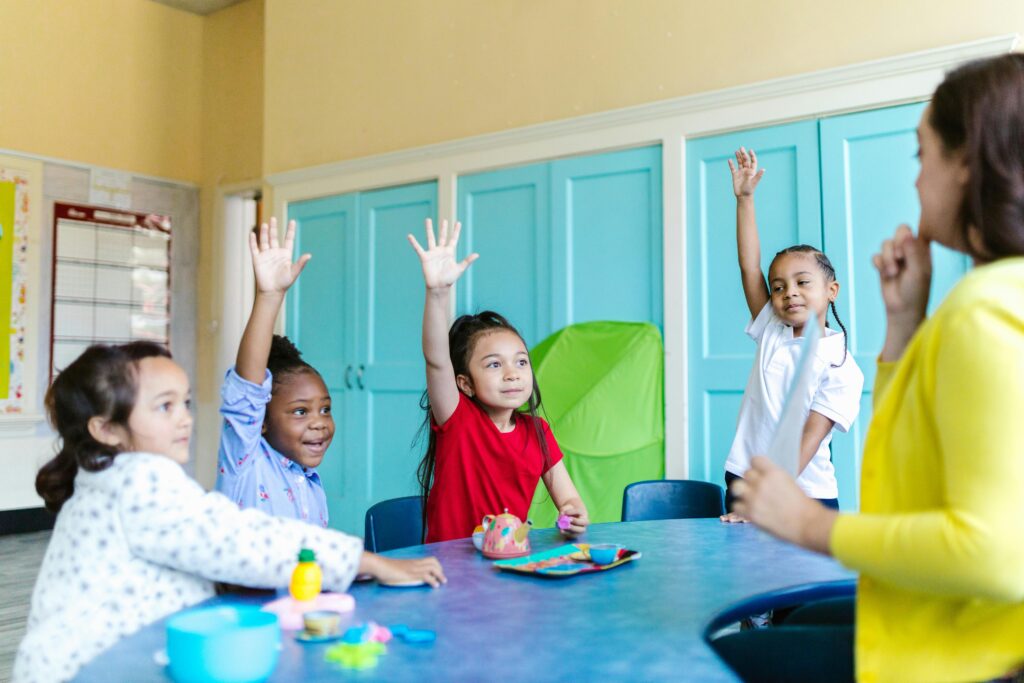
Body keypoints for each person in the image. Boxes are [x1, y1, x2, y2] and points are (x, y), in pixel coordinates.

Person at [726, 54, 1024, 683]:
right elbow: (913, 464)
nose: (915, 182)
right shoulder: (993, 301)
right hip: (935, 626)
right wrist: (903, 326)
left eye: (922, 157)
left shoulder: (985, 312)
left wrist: (808, 522)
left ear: (968, 161)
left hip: (954, 657)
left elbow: (998, 555)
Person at [14, 342, 445, 683]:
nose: (184, 419)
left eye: (184, 403)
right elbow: (238, 538)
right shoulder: (135, 480)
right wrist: (364, 560)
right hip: (88, 670)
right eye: (165, 407)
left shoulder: (111, 478)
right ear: (105, 429)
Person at [407, 218, 589, 542]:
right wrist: (437, 294)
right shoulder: (458, 419)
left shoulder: (538, 432)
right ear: (465, 384)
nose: (512, 373)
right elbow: (436, 360)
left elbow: (570, 500)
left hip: (509, 566)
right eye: (494, 364)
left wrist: (574, 514)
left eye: (521, 362)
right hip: (451, 570)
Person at [720, 147, 864, 523]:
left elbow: (808, 440)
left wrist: (769, 497)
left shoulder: (841, 364)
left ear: (832, 290)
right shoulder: (772, 328)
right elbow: (748, 265)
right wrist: (745, 200)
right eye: (779, 287)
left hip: (804, 494)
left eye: (802, 282)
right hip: (745, 478)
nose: (789, 293)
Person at [215, 218, 333, 526]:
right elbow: (248, 390)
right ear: (261, 421)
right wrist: (269, 297)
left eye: (324, 409)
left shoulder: (310, 482)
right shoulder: (245, 462)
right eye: (299, 412)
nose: (319, 423)